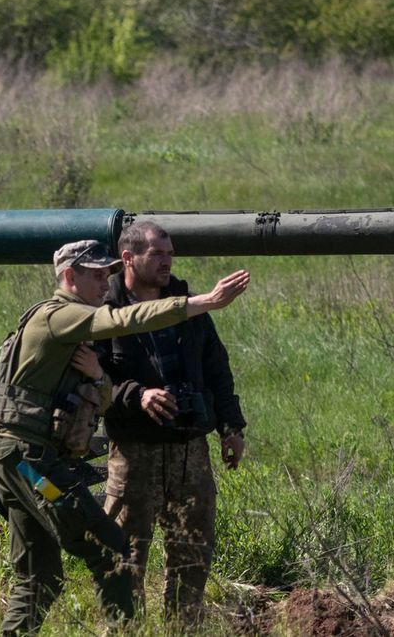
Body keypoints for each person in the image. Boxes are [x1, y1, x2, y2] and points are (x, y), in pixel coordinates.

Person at [0, 239, 249, 635]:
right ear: (69, 277)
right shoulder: (61, 316)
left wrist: (95, 375)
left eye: (108, 276)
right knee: (107, 543)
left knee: (41, 577)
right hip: (31, 468)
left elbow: (102, 395)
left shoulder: (62, 323)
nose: (105, 285)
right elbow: (126, 320)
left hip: (19, 465)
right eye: (94, 276)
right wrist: (201, 303)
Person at [95, 221, 247, 625]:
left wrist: (231, 427)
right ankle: (124, 629)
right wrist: (138, 395)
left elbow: (217, 367)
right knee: (124, 553)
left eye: (170, 254)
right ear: (128, 258)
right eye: (156, 254)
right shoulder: (105, 311)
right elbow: (95, 378)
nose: (167, 262)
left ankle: (184, 628)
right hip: (134, 451)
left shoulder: (188, 305)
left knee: (193, 551)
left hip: (189, 450)